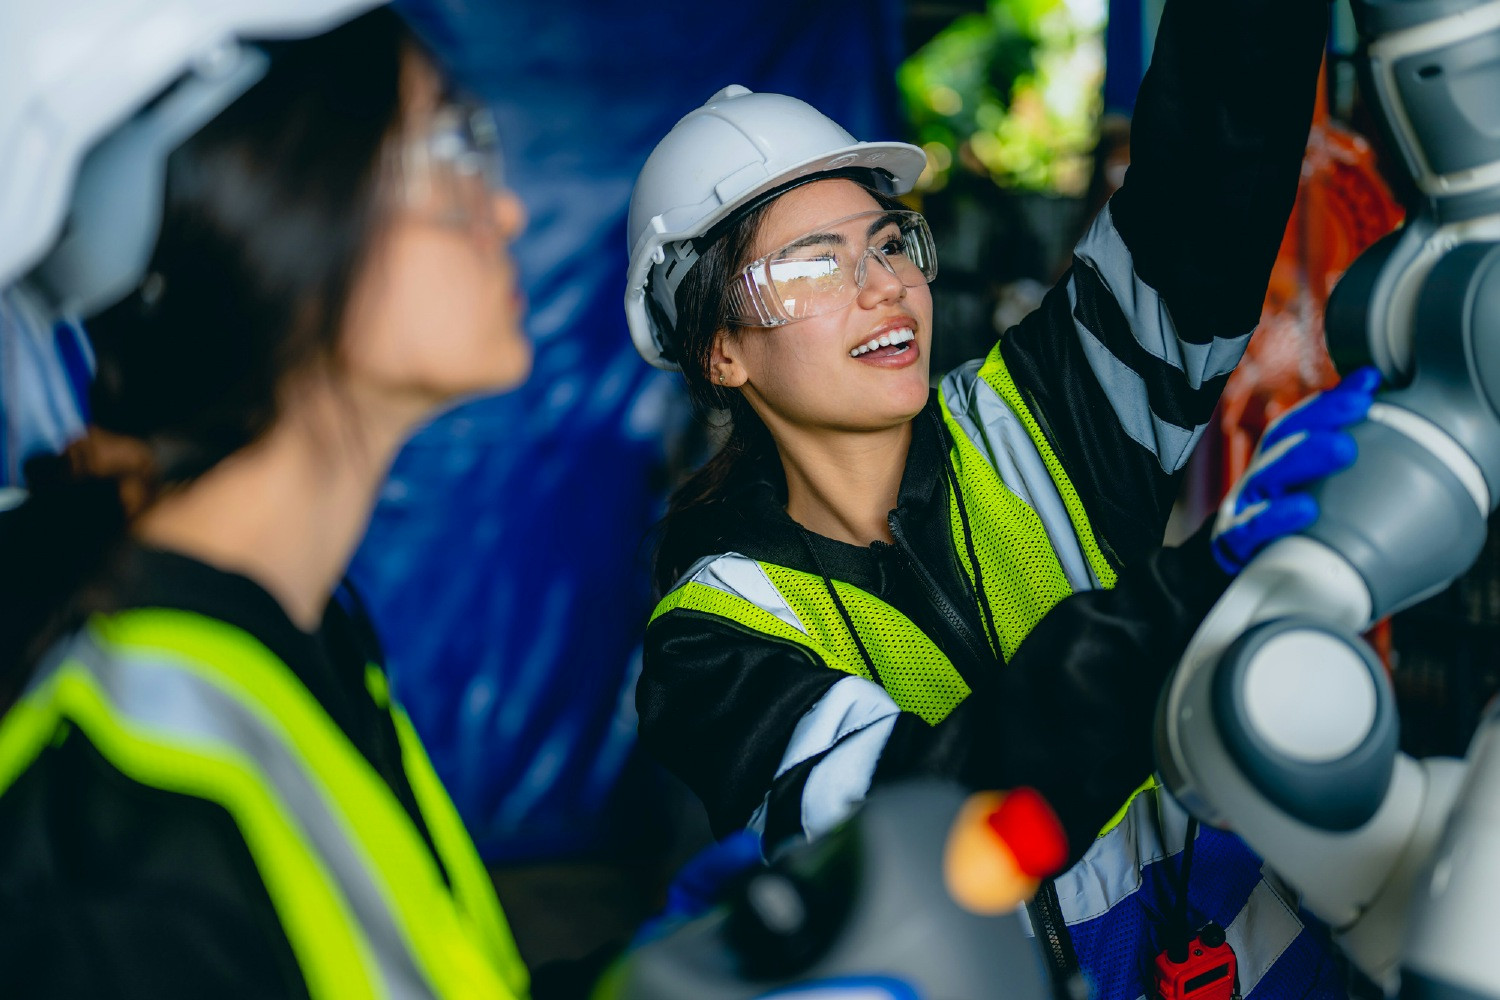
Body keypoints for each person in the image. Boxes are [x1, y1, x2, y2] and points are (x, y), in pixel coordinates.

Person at [623, 0, 1362, 997]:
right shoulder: (711, 644)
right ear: (719, 348)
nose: (883, 285)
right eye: (812, 265)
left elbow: (1205, 184)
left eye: (888, 242)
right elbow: (922, 823)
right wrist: (1191, 594)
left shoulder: (1043, 416)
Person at [0, 3, 531, 997]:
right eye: (447, 144)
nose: (505, 210)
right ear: (265, 202)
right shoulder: (117, 858)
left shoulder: (300, 632)